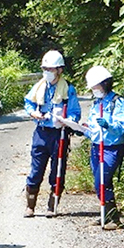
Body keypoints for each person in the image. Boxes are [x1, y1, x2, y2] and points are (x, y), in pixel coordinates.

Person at [24, 50, 81, 218]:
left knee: (58, 170)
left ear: (59, 70)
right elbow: (28, 102)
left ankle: (52, 205)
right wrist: (32, 113)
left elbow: (75, 112)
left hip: (59, 134)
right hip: (41, 132)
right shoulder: (39, 86)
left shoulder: (68, 89)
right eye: (45, 69)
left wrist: (66, 120)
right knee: (36, 170)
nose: (47, 72)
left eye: (51, 69)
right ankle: (30, 206)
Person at [83, 65, 124, 230]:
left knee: (102, 179)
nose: (94, 89)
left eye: (96, 86)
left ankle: (114, 218)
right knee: (100, 182)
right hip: (96, 146)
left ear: (105, 84)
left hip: (112, 147)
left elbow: (122, 126)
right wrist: (84, 130)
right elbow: (94, 129)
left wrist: (108, 125)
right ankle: (108, 214)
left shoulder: (118, 102)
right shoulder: (96, 103)